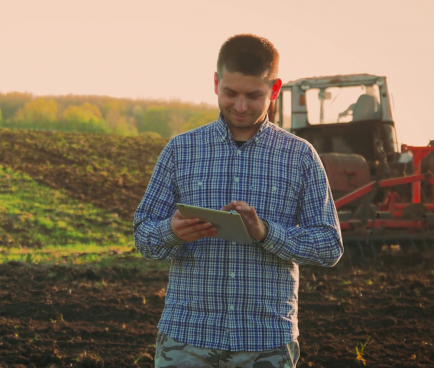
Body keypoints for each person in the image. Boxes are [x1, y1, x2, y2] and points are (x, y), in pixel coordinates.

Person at [133, 34, 343, 368]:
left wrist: (266, 233)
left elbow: (330, 245)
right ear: (216, 83)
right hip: (186, 340)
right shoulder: (181, 150)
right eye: (230, 93)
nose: (241, 106)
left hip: (266, 343)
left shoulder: (300, 156)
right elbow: (143, 237)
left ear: (274, 90)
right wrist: (172, 232)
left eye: (253, 95)